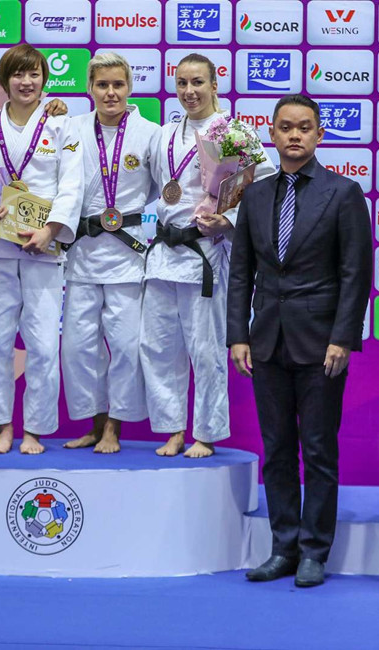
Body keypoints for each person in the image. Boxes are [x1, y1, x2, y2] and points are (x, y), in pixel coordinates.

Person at [228, 94, 372, 587]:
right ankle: (283, 548)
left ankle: (314, 551)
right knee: (276, 449)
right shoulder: (254, 194)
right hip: (266, 340)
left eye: (304, 127)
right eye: (286, 127)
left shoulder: (343, 192)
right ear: (271, 133)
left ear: (319, 135)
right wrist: (238, 334)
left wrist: (343, 338)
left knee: (318, 450)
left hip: (321, 343)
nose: (294, 135)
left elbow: (355, 274)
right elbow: (241, 271)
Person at [140, 54, 274, 459]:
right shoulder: (164, 134)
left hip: (205, 254)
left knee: (206, 349)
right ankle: (172, 429)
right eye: (182, 83)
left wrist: (227, 219)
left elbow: (265, 186)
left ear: (215, 85)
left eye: (197, 82)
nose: (189, 91)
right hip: (164, 252)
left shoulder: (234, 132)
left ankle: (206, 433)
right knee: (159, 346)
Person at [0, 44, 83, 454]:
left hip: (42, 248)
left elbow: (72, 183)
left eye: (34, 74)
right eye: (18, 74)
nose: (26, 82)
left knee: (44, 345)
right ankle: (2, 427)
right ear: (3, 80)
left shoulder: (62, 124)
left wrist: (52, 230)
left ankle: (35, 429)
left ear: (45, 79)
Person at [61, 53, 159, 454]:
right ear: (90, 88)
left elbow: (164, 186)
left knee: (125, 346)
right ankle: (94, 423)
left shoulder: (151, 133)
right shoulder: (70, 128)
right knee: (78, 347)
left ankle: (114, 429)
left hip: (127, 255)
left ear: (130, 87)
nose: (111, 92)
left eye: (118, 84)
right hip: (82, 251)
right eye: (102, 84)